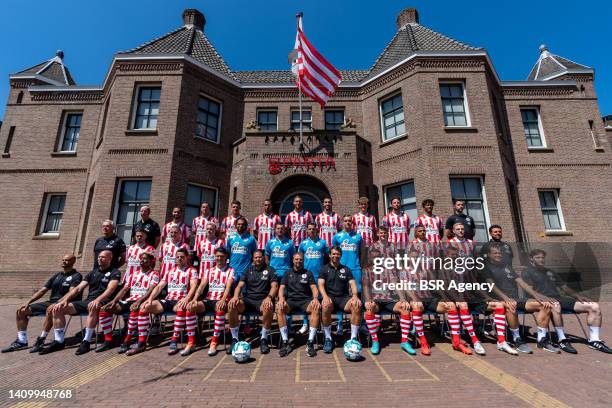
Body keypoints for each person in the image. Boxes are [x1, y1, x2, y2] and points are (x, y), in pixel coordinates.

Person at [522, 249, 612, 354]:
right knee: (556, 305)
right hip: (542, 301)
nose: (541, 260)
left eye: (542, 257)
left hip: (558, 299)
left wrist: (578, 296)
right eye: (538, 257)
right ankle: (562, 339)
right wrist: (543, 298)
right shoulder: (527, 272)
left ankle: (594, 341)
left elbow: (564, 287)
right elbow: (530, 291)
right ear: (531, 259)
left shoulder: (550, 271)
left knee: (594, 306)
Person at [480, 244, 559, 353]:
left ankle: (542, 339)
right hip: (498, 300)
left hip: (515, 298)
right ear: (489, 254)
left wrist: (537, 296)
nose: (499, 255)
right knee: (511, 306)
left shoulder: (507, 266)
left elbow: (521, 282)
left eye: (500, 253)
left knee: (545, 305)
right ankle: (517, 338)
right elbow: (491, 285)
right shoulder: (485, 267)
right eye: (495, 253)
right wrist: (506, 298)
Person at [438, 245, 517, 355]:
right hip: (457, 301)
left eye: (456, 255)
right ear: (446, 256)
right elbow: (443, 288)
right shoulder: (442, 270)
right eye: (452, 255)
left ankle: (502, 341)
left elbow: (475, 285)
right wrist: (455, 300)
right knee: (464, 305)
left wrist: (487, 297)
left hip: (471, 298)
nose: (455, 257)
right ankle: (475, 341)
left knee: (498, 305)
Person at [40, 250, 121, 355]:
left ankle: (86, 341)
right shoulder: (92, 273)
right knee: (58, 308)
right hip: (88, 301)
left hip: (104, 301)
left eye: (103, 257)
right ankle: (59, 341)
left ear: (110, 259)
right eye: (99, 257)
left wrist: (97, 300)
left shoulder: (115, 272)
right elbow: (78, 289)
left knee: (92, 306)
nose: (100, 259)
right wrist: (64, 300)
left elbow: (110, 289)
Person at [2, 254, 82, 353]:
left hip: (66, 303)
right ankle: (22, 341)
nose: (64, 261)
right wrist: (28, 302)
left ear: (73, 261)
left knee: (52, 309)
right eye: (63, 260)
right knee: (21, 311)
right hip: (51, 302)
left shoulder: (76, 275)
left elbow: (71, 292)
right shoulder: (57, 276)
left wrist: (58, 302)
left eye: (67, 260)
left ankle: (41, 339)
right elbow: (42, 291)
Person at [99, 252, 160, 354]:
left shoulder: (154, 274)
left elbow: (150, 291)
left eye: (145, 259)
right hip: (130, 300)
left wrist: (138, 301)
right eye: (141, 259)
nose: (142, 260)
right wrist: (113, 301)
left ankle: (128, 341)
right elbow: (124, 290)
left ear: (150, 262)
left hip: (143, 301)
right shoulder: (133, 274)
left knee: (134, 310)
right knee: (104, 310)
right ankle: (108, 340)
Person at [141, 248, 198, 356]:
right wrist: (149, 299)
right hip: (168, 300)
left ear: (187, 258)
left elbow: (194, 286)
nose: (179, 259)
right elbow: (159, 287)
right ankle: (141, 341)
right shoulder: (170, 271)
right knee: (144, 307)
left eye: (182, 257)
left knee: (181, 307)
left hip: (180, 300)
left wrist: (186, 299)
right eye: (177, 257)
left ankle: (173, 340)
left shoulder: (192, 270)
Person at [361, 247, 419, 355]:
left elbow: (396, 284)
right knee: (369, 308)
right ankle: (375, 340)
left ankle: (405, 341)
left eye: (377, 257)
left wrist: (402, 299)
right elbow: (365, 286)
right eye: (373, 257)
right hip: (375, 300)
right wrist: (368, 299)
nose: (375, 259)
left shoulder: (388, 270)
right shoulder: (366, 270)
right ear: (369, 258)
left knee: (404, 308)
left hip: (388, 299)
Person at [228, 250, 278, 354]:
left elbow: (274, 286)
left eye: (259, 257)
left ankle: (264, 339)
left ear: (263, 258)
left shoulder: (270, 270)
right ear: (253, 259)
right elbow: (240, 286)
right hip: (248, 300)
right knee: (232, 305)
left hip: (263, 300)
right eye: (256, 258)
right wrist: (235, 297)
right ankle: (235, 339)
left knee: (269, 306)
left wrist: (269, 297)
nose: (258, 259)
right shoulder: (248, 270)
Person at [188, 248, 235, 356]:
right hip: (209, 299)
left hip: (222, 299)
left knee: (219, 307)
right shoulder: (209, 270)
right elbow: (201, 286)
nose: (219, 258)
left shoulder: (230, 270)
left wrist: (223, 300)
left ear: (226, 258)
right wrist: (194, 299)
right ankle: (191, 342)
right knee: (190, 307)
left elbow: (228, 286)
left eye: (222, 256)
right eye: (217, 256)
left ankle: (214, 342)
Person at [276, 253, 321, 357]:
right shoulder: (287, 273)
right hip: (291, 301)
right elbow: (281, 288)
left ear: (303, 261)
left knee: (316, 307)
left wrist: (315, 299)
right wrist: (281, 299)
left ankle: (310, 343)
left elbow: (314, 288)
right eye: (296, 259)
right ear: (293, 260)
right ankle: (285, 342)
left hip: (305, 301)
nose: (298, 261)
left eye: (300, 260)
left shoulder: (308, 273)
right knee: (279, 308)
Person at [319, 247, 362, 353]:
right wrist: (324, 296)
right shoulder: (324, 269)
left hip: (343, 298)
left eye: (337, 254)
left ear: (341, 255)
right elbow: (320, 284)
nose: (335, 256)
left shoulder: (346, 269)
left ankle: (353, 338)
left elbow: (352, 283)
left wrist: (355, 296)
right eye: (333, 254)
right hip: (330, 298)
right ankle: (328, 338)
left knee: (356, 305)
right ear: (329, 255)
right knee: (325, 306)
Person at [298, 222, 330, 334]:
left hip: (319, 276)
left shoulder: (322, 243)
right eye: (309, 229)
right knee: (306, 299)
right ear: (307, 230)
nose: (311, 231)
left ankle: (320, 322)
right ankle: (305, 323)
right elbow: (300, 259)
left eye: (313, 229)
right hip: (306, 276)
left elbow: (327, 257)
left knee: (320, 299)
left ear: (317, 230)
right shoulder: (303, 244)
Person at [331, 215, 365, 293]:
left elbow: (362, 252)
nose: (347, 222)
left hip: (355, 268)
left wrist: (360, 264)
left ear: (352, 223)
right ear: (342, 222)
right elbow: (333, 253)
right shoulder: (337, 236)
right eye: (345, 221)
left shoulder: (358, 237)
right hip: (340, 268)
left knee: (357, 290)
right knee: (341, 290)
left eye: (349, 221)